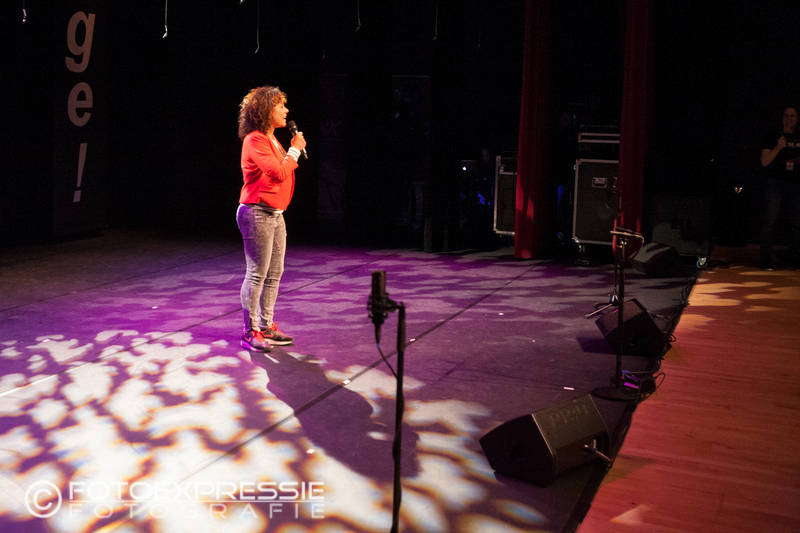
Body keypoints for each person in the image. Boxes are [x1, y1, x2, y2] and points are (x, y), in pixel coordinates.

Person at [236, 86, 306, 351]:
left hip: (275, 214)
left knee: (275, 273)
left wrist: (292, 151)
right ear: (266, 110)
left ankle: (266, 325)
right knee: (257, 274)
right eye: (280, 106)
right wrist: (295, 150)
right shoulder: (255, 139)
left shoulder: (271, 139)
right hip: (256, 212)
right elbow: (278, 172)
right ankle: (250, 331)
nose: (286, 111)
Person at [760, 105, 800, 269]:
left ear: (797, 119)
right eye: (786, 116)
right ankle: (765, 260)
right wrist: (778, 147)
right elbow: (764, 162)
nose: (789, 119)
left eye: (792, 116)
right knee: (770, 220)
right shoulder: (773, 136)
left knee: (797, 222)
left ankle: (794, 259)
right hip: (775, 183)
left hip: (796, 184)